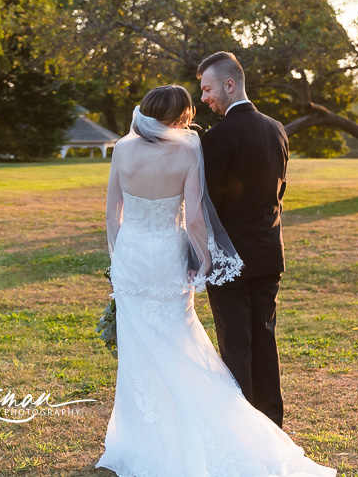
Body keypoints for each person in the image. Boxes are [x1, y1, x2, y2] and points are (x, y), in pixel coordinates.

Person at [96, 85, 334, 477]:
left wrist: (118, 260)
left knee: (140, 351)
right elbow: (193, 218)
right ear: (179, 117)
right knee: (181, 340)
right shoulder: (189, 149)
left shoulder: (122, 149)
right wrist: (204, 260)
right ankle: (214, 423)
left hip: (132, 258)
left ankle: (147, 440)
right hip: (169, 257)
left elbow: (112, 214)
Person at [196, 51, 289, 428]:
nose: (204, 98)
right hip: (268, 255)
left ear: (230, 85)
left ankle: (243, 431)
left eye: (208, 89)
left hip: (229, 261)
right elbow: (278, 192)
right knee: (265, 341)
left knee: (236, 345)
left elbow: (209, 205)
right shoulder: (276, 129)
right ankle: (272, 427)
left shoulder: (216, 138)